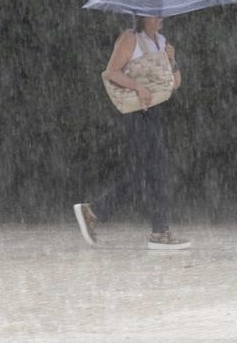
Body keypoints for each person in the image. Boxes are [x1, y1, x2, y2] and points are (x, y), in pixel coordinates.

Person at [73, 15, 191, 250]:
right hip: (136, 113)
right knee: (147, 173)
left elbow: (175, 82)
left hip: (154, 113)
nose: (161, 18)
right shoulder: (130, 38)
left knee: (154, 173)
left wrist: (172, 59)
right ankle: (99, 212)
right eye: (156, 13)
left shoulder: (161, 42)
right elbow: (111, 72)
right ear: (143, 15)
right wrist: (138, 86)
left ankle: (153, 229)